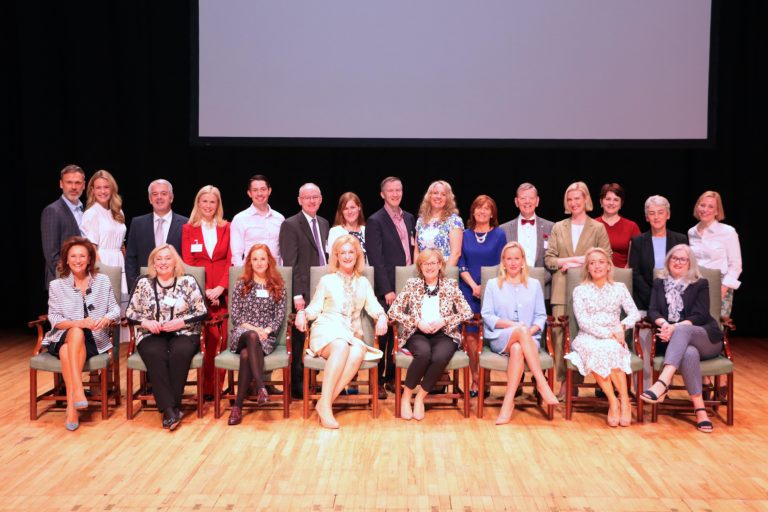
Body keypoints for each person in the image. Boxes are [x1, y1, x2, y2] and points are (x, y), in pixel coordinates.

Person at [294, 235, 388, 429]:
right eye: (342, 252)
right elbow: (314, 308)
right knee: (341, 346)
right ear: (336, 256)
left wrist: (383, 317)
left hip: (350, 333)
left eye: (350, 252)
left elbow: (374, 307)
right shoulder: (327, 280)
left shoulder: (363, 283)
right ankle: (326, 408)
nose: (347, 256)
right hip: (326, 328)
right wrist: (302, 313)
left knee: (358, 350)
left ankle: (324, 402)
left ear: (357, 255)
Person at [641, 244, 724, 433]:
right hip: (677, 343)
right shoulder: (659, 282)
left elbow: (700, 315)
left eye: (683, 259)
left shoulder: (700, 283)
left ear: (690, 263)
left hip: (706, 338)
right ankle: (700, 410)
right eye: (674, 258)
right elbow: (652, 310)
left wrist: (674, 328)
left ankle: (662, 382)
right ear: (668, 261)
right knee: (688, 353)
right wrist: (665, 325)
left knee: (683, 331)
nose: (678, 262)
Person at [126, 244, 208, 431]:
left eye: (167, 258)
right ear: (153, 263)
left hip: (184, 332)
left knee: (179, 352)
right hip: (151, 333)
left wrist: (181, 322)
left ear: (175, 262)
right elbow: (130, 312)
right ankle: (171, 409)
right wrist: (146, 322)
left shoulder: (188, 281)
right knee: (156, 353)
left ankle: (169, 408)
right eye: (159, 259)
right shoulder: (143, 282)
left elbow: (202, 311)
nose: (163, 262)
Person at [41, 237, 120, 430]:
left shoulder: (102, 281)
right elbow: (55, 319)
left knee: (67, 352)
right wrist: (79, 323)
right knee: (75, 331)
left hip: (93, 338)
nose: (78, 260)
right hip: (61, 336)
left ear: (89, 259)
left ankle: (72, 406)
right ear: (66, 260)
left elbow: (115, 310)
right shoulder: (57, 286)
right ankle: (77, 391)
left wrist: (106, 319)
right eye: (73, 256)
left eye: (82, 256)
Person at [544, 181, 612, 398]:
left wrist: (577, 262)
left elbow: (606, 257)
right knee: (559, 337)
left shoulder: (598, 227)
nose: (574, 203)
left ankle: (575, 381)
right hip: (561, 290)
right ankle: (564, 381)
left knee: (580, 336)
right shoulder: (558, 227)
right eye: (570, 199)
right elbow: (550, 259)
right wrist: (571, 259)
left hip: (589, 289)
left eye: (577, 198)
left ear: (586, 200)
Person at [388, 249, 473, 421]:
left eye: (433, 263)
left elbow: (467, 312)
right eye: (425, 263)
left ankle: (420, 398)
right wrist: (417, 322)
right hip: (417, 333)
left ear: (440, 265)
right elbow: (393, 311)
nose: (429, 267)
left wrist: (445, 320)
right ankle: (406, 397)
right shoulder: (412, 284)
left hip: (445, 334)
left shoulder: (450, 285)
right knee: (424, 354)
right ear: (420, 266)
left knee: (440, 357)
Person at [482, 242, 559, 424]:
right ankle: (542, 383)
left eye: (517, 258)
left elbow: (541, 316)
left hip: (529, 338)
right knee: (518, 335)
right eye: (509, 259)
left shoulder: (533, 285)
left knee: (518, 349)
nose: (513, 262)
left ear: (523, 261)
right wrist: (515, 326)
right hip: (500, 337)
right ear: (503, 262)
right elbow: (487, 315)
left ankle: (508, 403)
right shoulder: (493, 284)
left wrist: (527, 332)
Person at [564, 247, 640, 427]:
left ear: (608, 266)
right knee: (598, 349)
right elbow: (583, 322)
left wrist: (621, 326)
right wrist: (609, 334)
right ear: (587, 268)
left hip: (615, 336)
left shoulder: (619, 288)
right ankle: (614, 401)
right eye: (592, 263)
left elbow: (635, 313)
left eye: (601, 262)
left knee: (611, 348)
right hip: (588, 337)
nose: (597, 266)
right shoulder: (580, 290)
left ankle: (625, 401)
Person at [628, 195, 688, 389]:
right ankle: (644, 388)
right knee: (644, 343)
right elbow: (635, 274)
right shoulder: (638, 241)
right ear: (646, 217)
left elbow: (686, 271)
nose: (656, 217)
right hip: (645, 301)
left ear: (668, 215)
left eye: (660, 212)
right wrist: (655, 298)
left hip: (677, 303)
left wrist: (668, 300)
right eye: (651, 213)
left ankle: (664, 386)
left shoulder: (680, 239)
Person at [365, 177, 416, 399]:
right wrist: (386, 289)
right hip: (387, 286)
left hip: (407, 284)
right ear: (382, 194)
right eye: (390, 191)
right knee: (383, 335)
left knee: (401, 334)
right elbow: (376, 258)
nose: (395, 194)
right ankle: (378, 381)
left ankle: (393, 379)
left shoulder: (410, 218)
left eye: (398, 190)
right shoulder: (375, 220)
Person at [279, 182, 330, 399]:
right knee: (300, 340)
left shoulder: (325, 223)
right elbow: (291, 262)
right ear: (299, 200)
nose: (311, 200)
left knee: (319, 336)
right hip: (303, 291)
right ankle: (297, 388)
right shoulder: (290, 224)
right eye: (307, 197)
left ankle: (314, 381)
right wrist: (297, 294)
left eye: (315, 197)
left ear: (320, 199)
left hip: (323, 289)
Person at [226, 244, 286, 425]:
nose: (259, 262)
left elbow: (280, 315)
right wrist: (255, 329)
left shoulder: (277, 285)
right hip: (243, 332)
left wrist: (266, 331)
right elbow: (236, 316)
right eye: (255, 259)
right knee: (251, 336)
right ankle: (261, 387)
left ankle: (237, 407)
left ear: (269, 261)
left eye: (262, 258)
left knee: (246, 355)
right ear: (249, 263)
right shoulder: (241, 284)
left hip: (266, 337)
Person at [181, 185, 232, 399]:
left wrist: (221, 287)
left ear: (218, 204)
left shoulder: (227, 227)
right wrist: (204, 290)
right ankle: (205, 388)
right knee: (206, 338)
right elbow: (188, 261)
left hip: (223, 288)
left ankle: (217, 388)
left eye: (213, 202)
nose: (208, 206)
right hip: (200, 290)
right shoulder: (188, 228)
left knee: (222, 338)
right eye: (205, 201)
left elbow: (231, 259)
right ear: (198, 204)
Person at [458, 195, 506, 396]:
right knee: (470, 337)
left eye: (487, 208)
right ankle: (476, 380)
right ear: (473, 211)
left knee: (487, 336)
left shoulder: (499, 234)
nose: (482, 211)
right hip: (468, 290)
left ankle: (487, 381)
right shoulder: (465, 234)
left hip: (493, 291)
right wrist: (473, 286)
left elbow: (502, 265)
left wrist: (485, 288)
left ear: (492, 213)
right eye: (479, 208)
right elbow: (462, 264)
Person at [81, 170, 128, 341]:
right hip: (103, 263)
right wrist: (103, 273)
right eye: (98, 187)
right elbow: (91, 249)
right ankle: (103, 361)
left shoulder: (118, 212)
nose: (102, 191)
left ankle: (113, 361)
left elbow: (121, 241)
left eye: (106, 187)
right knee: (105, 314)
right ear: (92, 190)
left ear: (112, 189)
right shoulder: (91, 214)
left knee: (119, 318)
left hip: (119, 262)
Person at [125, 179, 188, 291]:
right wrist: (135, 287)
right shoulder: (137, 223)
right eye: (155, 194)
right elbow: (130, 259)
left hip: (177, 287)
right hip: (145, 287)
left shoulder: (185, 224)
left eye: (164, 193)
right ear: (150, 199)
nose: (159, 197)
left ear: (171, 197)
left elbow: (188, 259)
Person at [688, 191, 742, 318]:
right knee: (695, 326)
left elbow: (736, 265)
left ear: (717, 211)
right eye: (702, 205)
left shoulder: (728, 232)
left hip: (720, 285)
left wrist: (722, 289)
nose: (705, 209)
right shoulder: (692, 232)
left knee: (715, 328)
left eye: (711, 206)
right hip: (696, 284)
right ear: (697, 207)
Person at [499, 183, 555, 301]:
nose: (527, 201)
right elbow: (501, 260)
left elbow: (553, 258)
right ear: (516, 201)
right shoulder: (503, 229)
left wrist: (540, 279)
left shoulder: (551, 227)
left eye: (531, 198)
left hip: (542, 289)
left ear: (537, 201)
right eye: (523, 198)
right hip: (511, 289)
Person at [41, 164, 86, 289]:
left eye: (77, 183)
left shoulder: (85, 211)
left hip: (83, 280)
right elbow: (52, 255)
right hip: (62, 281)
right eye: (69, 182)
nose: (73, 187)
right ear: (61, 184)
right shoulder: (52, 211)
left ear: (84, 185)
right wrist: (72, 277)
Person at [230, 174, 285, 266]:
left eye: (263, 189)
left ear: (269, 191)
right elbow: (236, 255)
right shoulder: (239, 219)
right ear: (249, 193)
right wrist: (243, 277)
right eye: (255, 190)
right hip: (251, 274)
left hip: (276, 273)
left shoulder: (280, 218)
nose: (259, 194)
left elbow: (284, 251)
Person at [414, 180, 463, 266]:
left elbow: (456, 253)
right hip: (423, 272)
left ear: (448, 199)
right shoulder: (420, 221)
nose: (438, 197)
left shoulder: (454, 221)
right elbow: (416, 252)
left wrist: (443, 277)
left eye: (443, 194)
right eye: (435, 193)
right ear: (429, 196)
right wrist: (417, 273)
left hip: (445, 272)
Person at [596, 183, 640, 268]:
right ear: (601, 202)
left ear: (621, 204)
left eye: (616, 200)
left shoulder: (632, 226)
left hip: (624, 274)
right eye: (608, 199)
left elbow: (638, 255)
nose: (611, 203)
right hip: (597, 272)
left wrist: (625, 273)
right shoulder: (592, 225)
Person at [326, 192, 367, 260]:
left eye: (352, 207)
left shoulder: (367, 231)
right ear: (342, 211)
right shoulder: (335, 232)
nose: (349, 211)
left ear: (359, 208)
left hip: (367, 270)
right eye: (345, 208)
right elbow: (333, 259)